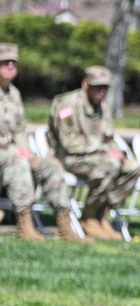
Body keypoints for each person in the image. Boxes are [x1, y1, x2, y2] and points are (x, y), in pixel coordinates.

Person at [0, 43, 90, 243]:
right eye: (4, 62)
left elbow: (20, 128)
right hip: (5, 154)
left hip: (14, 152)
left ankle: (64, 224)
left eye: (13, 63)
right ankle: (24, 224)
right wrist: (13, 149)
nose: (9, 66)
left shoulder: (13, 94)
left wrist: (24, 148)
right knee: (17, 161)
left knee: (51, 164)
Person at [48, 65, 140, 241]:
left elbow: (108, 138)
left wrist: (118, 151)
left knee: (133, 167)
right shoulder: (67, 105)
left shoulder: (102, 107)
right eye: (98, 87)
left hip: (96, 158)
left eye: (105, 87)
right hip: (68, 158)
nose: (102, 91)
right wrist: (106, 151)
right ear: (85, 84)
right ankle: (88, 217)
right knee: (110, 165)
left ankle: (102, 212)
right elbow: (69, 144)